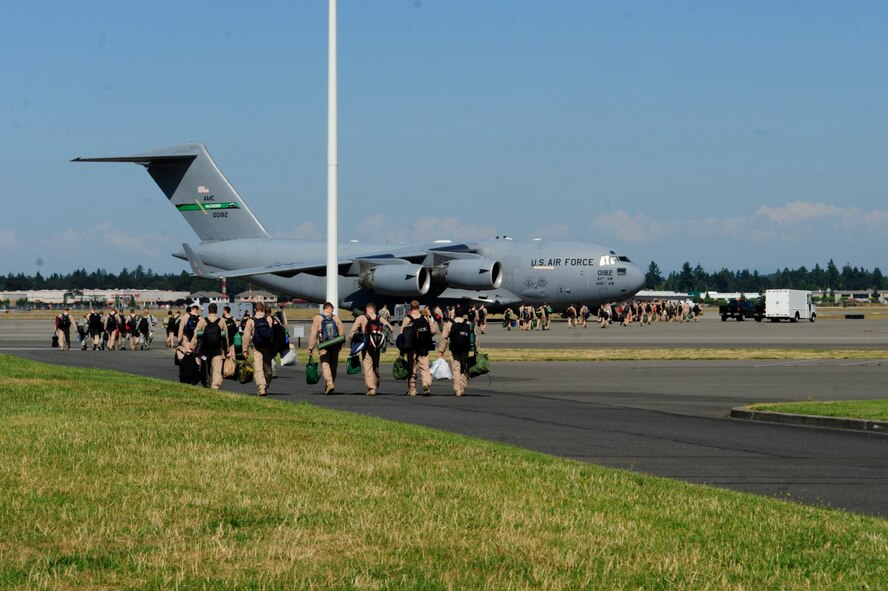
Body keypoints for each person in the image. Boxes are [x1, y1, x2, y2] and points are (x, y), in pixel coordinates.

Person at [348, 302, 386, 396]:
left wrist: (351, 341)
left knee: (367, 365)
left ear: (366, 309)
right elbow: (389, 328)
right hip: (377, 345)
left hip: (367, 345)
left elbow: (353, 331)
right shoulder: (379, 318)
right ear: (374, 309)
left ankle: (371, 388)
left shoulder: (362, 317)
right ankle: (376, 382)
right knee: (376, 365)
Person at [307, 302, 345, 395]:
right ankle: (329, 384)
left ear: (324, 308)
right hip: (334, 345)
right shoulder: (336, 318)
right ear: (331, 308)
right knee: (333, 366)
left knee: (325, 364)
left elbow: (313, 334)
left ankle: (329, 383)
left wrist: (310, 347)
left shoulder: (318, 318)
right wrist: (340, 345)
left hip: (323, 345)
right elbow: (342, 334)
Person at [401, 300, 437, 396]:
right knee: (425, 368)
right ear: (419, 307)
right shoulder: (425, 317)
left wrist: (403, 349)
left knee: (412, 368)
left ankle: (412, 389)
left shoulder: (407, 319)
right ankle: (426, 385)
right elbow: (433, 331)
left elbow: (402, 335)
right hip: (424, 347)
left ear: (410, 307)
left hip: (412, 348)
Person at [438, 305, 475, 397]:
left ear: (455, 315)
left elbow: (444, 337)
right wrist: (476, 349)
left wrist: (441, 350)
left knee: (456, 369)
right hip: (465, 349)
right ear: (463, 315)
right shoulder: (468, 323)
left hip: (454, 349)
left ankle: (457, 389)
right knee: (464, 368)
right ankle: (463, 387)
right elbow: (474, 337)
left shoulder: (450, 323)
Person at [192, 303, 230, 390]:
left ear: (208, 311)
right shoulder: (221, 321)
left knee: (205, 367)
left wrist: (192, 347)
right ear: (216, 311)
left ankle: (206, 383)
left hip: (204, 352)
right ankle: (215, 386)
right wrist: (227, 349)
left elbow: (196, 335)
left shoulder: (202, 321)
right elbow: (226, 337)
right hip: (217, 351)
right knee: (217, 369)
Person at [242, 304, 277, 396]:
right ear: (263, 309)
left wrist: (245, 350)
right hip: (267, 347)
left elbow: (246, 336)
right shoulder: (269, 319)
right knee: (268, 369)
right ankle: (266, 384)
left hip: (257, 347)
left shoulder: (251, 321)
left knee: (258, 369)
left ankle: (261, 387)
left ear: (254, 309)